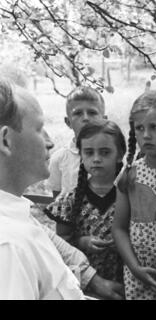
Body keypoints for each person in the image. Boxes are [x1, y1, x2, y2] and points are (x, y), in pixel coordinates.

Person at [0, 79, 122, 299]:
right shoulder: (9, 247)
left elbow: (55, 242)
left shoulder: (18, 214)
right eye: (39, 129)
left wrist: (91, 279)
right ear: (6, 141)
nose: (50, 142)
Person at [113, 90, 156, 300]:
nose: (145, 135)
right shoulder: (129, 175)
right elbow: (118, 228)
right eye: (139, 128)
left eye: (154, 127)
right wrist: (136, 269)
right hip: (141, 280)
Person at [45, 120, 126, 283]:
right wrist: (83, 242)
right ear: (81, 155)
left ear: (120, 154)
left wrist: (125, 243)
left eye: (105, 152)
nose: (96, 159)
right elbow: (62, 242)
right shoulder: (70, 201)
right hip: (87, 283)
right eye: (89, 152)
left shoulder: (131, 197)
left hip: (128, 280)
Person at [47, 86, 106, 198]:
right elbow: (56, 201)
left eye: (92, 113)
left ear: (104, 120)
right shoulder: (59, 159)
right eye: (78, 113)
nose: (85, 118)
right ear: (68, 122)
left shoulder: (113, 156)